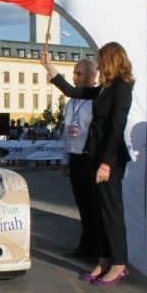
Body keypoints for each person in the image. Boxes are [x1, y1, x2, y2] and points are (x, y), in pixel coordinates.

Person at [43, 42, 134, 286]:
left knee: (111, 213)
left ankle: (119, 264)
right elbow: (73, 92)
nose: (99, 65)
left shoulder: (122, 88)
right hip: (96, 158)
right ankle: (104, 260)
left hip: (110, 161)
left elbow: (116, 127)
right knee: (100, 212)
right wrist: (50, 67)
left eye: (101, 60)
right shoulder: (105, 88)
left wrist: (106, 163)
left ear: (112, 60)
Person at [59, 59, 99, 264]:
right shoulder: (71, 103)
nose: (74, 78)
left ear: (92, 75)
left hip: (89, 159)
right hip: (75, 158)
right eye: (74, 74)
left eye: (79, 74)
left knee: (93, 206)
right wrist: (65, 159)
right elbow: (67, 133)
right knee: (82, 205)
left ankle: (96, 249)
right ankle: (85, 245)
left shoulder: (96, 100)